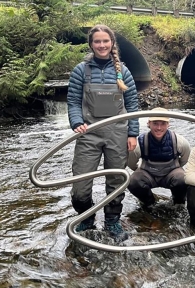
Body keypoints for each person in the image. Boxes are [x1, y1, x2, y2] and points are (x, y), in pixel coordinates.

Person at [67, 24, 139, 242]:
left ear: (112, 43)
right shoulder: (81, 70)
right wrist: (76, 122)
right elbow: (72, 101)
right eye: (97, 41)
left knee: (116, 181)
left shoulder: (123, 72)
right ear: (91, 44)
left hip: (118, 133)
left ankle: (112, 221)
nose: (101, 45)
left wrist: (132, 133)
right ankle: (86, 216)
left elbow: (133, 103)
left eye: (105, 41)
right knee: (80, 186)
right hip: (88, 133)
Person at [127, 107, 191, 209]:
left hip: (171, 174)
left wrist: (177, 169)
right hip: (148, 174)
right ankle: (149, 202)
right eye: (155, 123)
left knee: (183, 178)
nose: (159, 128)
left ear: (168, 124)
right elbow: (131, 162)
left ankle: (178, 202)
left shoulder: (180, 141)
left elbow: (185, 158)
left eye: (163, 123)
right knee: (133, 181)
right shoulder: (140, 143)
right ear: (149, 124)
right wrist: (140, 170)